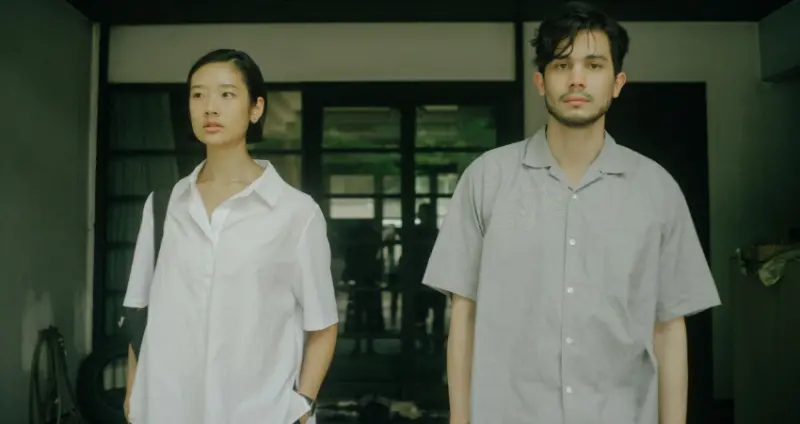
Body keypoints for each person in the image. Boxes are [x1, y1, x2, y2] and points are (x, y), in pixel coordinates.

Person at [421, 2, 721, 424]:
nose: (577, 78)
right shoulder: (487, 178)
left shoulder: (657, 190)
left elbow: (669, 328)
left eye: (594, 65)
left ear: (617, 83)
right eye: (562, 65)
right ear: (541, 82)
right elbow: (463, 315)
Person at [122, 49, 339, 424]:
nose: (210, 107)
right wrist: (132, 397)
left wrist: (301, 407)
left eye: (226, 94)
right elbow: (139, 312)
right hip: (165, 410)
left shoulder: (296, 213)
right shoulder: (163, 206)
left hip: (258, 413)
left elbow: (323, 326)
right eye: (198, 94)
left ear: (256, 109)